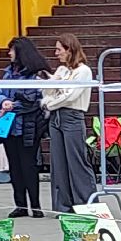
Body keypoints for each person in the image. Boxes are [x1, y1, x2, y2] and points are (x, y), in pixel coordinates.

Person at [0, 36, 49, 218]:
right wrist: (5, 101)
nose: (9, 53)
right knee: (14, 166)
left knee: (29, 166)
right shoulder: (8, 73)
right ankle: (20, 205)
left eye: (12, 50)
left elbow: (34, 100)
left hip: (28, 126)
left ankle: (36, 205)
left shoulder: (36, 75)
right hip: (9, 127)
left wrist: (11, 105)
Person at [41, 33, 95, 214]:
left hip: (72, 116)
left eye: (59, 49)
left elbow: (71, 96)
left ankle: (86, 204)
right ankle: (63, 206)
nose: (56, 53)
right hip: (56, 117)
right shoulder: (62, 71)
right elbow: (46, 92)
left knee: (76, 161)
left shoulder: (84, 71)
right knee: (58, 163)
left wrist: (50, 103)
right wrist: (52, 84)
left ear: (69, 49)